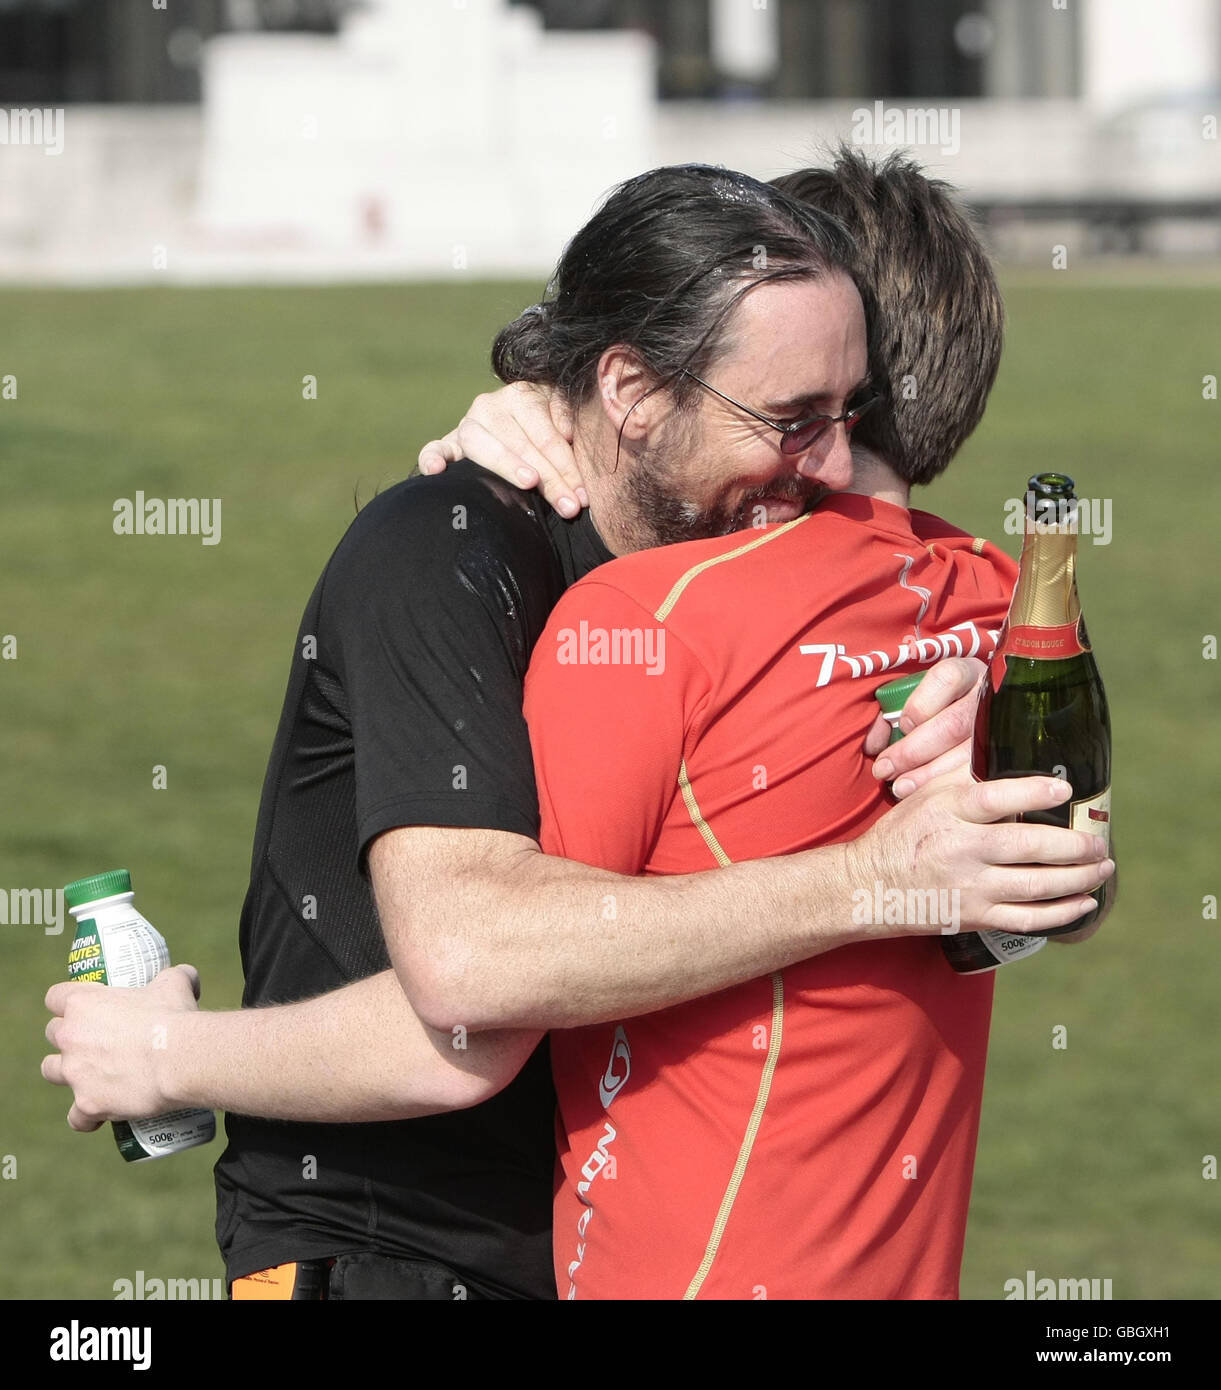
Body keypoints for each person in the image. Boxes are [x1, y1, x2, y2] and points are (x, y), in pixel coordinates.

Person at [42, 161, 1111, 1301]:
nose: (835, 467)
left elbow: (1061, 887)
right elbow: (464, 988)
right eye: (792, 419)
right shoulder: (444, 552)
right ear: (634, 393)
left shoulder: (732, 577)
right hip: (379, 1247)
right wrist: (158, 1058)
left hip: (571, 1247)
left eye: (845, 415)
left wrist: (981, 757)